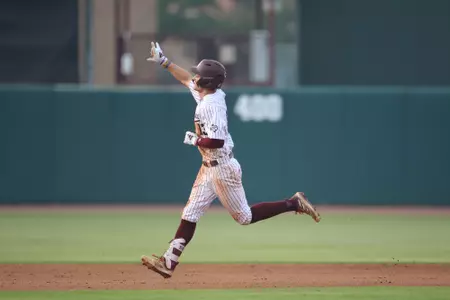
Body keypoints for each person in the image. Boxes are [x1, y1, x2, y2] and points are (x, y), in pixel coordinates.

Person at [141, 41, 321, 279]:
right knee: (190, 213)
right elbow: (185, 79)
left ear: (207, 82)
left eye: (199, 74)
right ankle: (168, 262)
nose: (194, 76)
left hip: (222, 168)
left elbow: (216, 142)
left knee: (244, 217)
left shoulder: (212, 106)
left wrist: (194, 140)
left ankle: (293, 203)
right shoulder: (207, 94)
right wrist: (165, 62)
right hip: (209, 167)